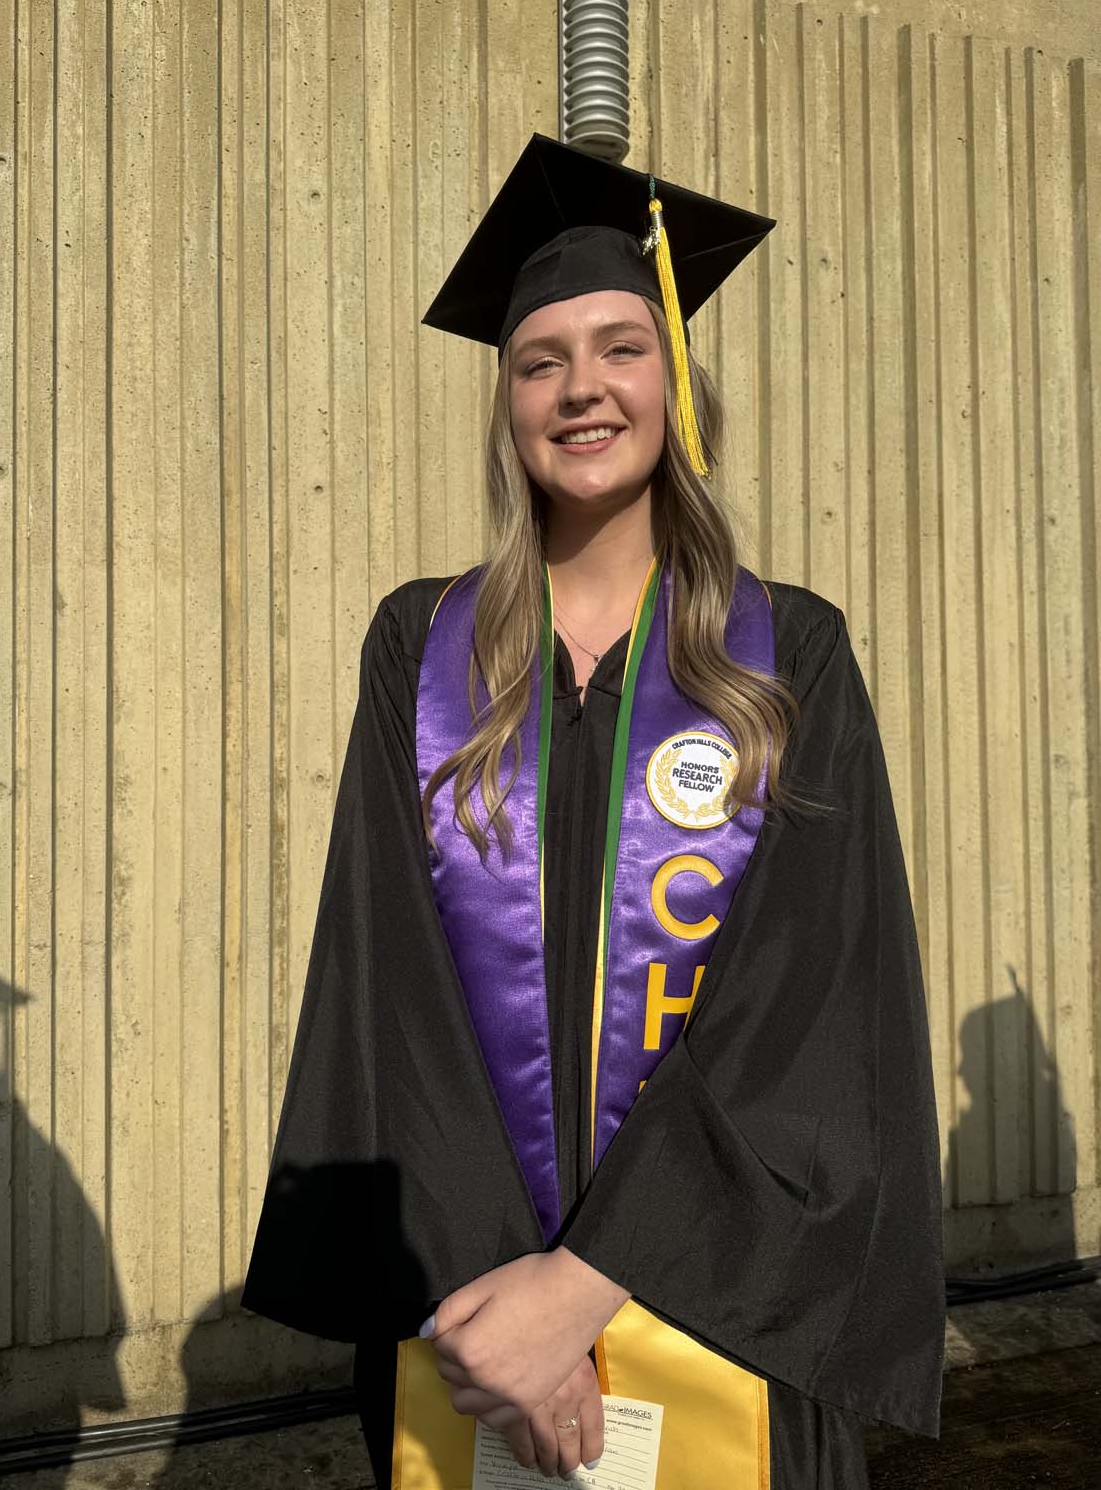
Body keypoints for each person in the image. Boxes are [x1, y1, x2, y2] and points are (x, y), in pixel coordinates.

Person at [242, 133, 944, 1489]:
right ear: (505, 402)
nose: (580, 390)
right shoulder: (424, 648)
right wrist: (508, 1306)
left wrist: (596, 1277)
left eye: (622, 346)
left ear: (676, 384)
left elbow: (813, 1007)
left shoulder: (784, 653)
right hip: (478, 1325)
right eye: (539, 359)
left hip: (720, 1300)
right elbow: (389, 991)